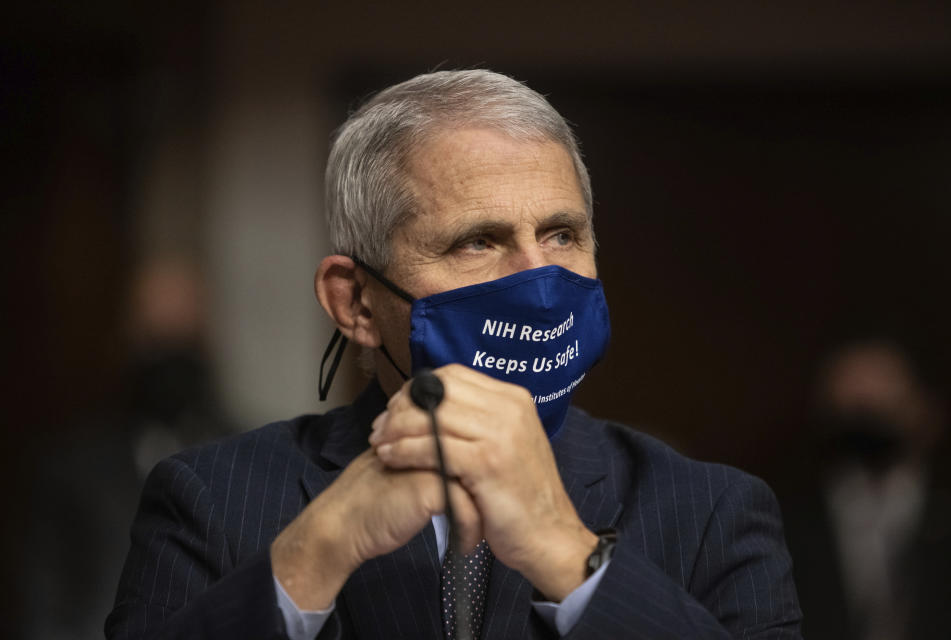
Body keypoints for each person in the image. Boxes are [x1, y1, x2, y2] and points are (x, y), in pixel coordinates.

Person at [107, 69, 802, 639]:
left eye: (561, 235)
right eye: (477, 241)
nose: (538, 282)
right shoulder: (210, 502)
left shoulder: (713, 513)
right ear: (355, 303)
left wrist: (569, 555)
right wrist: (315, 554)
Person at [780, 338, 951, 640]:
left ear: (928, 412)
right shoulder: (786, 523)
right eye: (849, 410)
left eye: (880, 406)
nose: (863, 411)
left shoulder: (948, 517)